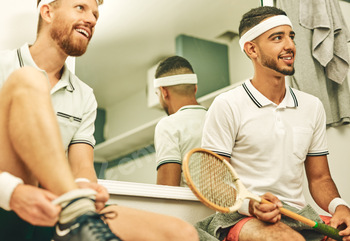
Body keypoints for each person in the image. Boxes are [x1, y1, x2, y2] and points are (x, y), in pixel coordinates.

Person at [0, 1, 199, 241]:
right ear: (48, 12)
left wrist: (86, 186)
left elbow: (82, 167)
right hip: (8, 197)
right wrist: (11, 192)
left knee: (181, 233)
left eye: (95, 14)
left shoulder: (84, 96)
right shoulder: (5, 65)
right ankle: (76, 210)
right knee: (28, 79)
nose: (92, 19)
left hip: (58, 207)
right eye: (80, 7)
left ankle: (77, 213)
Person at [195, 6, 350, 241]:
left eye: (291, 36)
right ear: (252, 49)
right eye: (277, 38)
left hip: (299, 216)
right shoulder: (227, 104)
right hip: (242, 217)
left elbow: (320, 178)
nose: (290, 45)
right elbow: (213, 182)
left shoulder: (312, 106)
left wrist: (339, 206)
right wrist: (252, 204)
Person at [153, 56, 207, 186]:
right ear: (195, 88)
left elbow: (167, 191)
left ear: (164, 92)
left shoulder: (168, 126)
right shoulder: (220, 119)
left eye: (157, 94)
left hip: (190, 207)